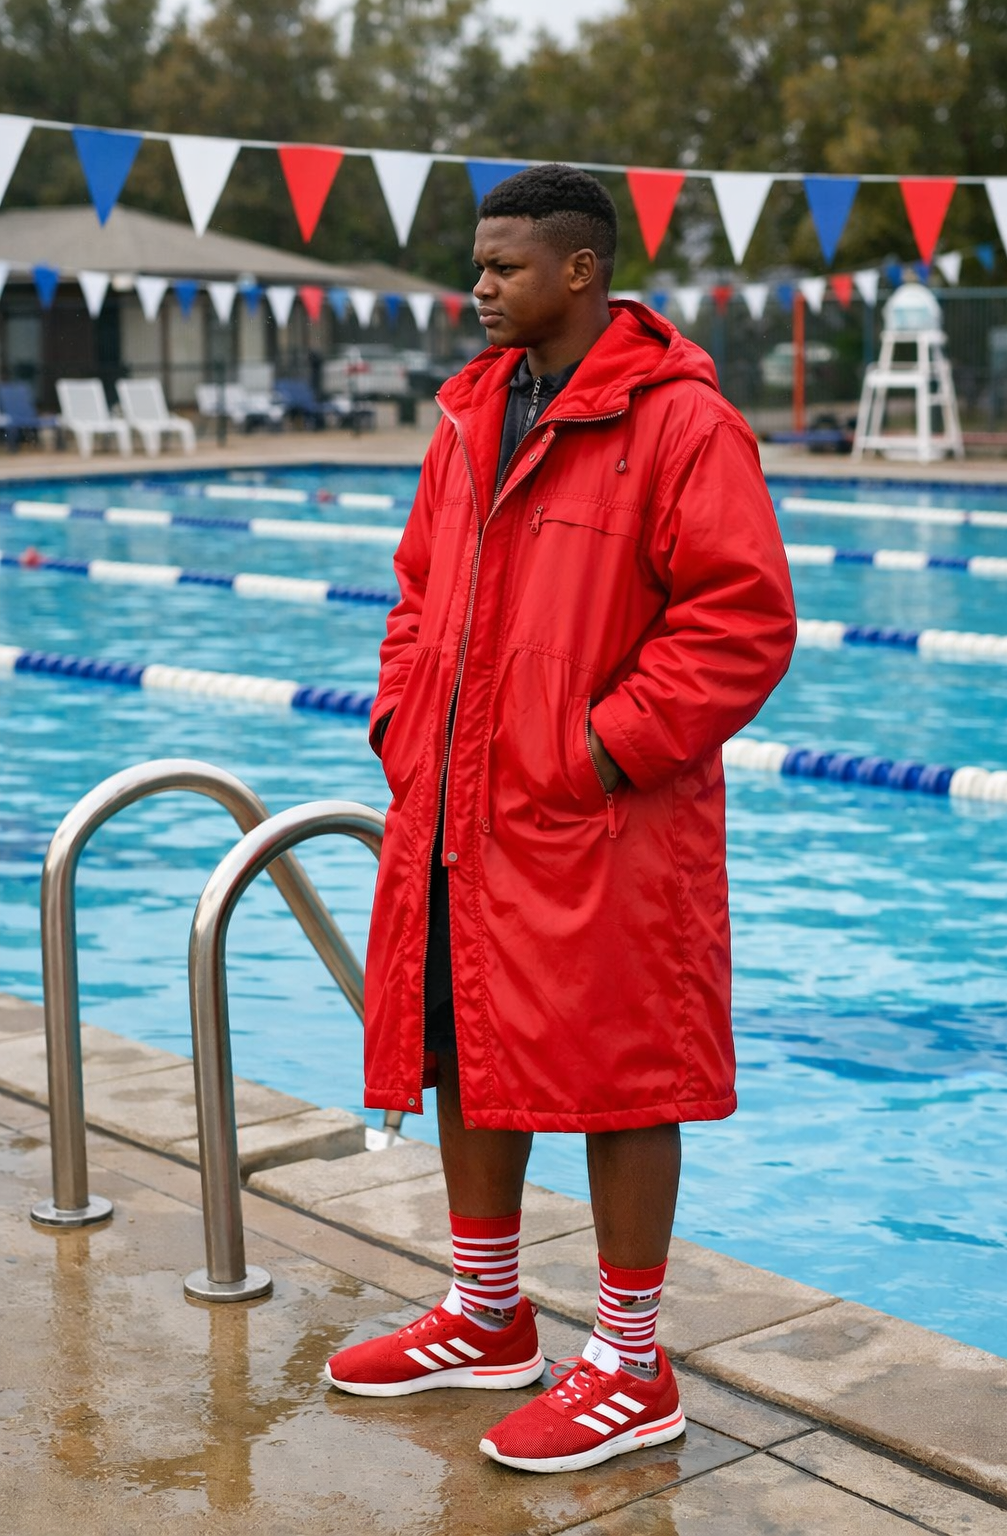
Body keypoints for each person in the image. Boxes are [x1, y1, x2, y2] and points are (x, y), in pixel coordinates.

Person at [324, 163, 796, 1475]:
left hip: (599, 821)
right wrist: (405, 730)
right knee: (464, 1039)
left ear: (580, 270)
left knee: (620, 1076)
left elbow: (743, 620)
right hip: (457, 804)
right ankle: (487, 1315)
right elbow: (417, 595)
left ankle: (634, 1363)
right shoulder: (473, 414)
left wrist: (596, 750)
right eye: (477, 264)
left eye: (503, 265)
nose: (477, 287)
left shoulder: (681, 423)